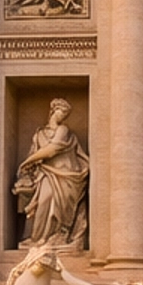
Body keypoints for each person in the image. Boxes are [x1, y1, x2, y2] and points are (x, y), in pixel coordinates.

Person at [13, 101, 89, 247]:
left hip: (67, 174)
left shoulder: (63, 130)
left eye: (66, 114)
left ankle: (58, 235)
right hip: (46, 173)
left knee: (57, 204)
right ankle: (37, 239)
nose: (63, 116)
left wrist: (26, 161)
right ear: (53, 111)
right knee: (43, 201)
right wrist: (28, 167)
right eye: (61, 111)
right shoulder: (39, 134)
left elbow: (52, 149)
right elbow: (35, 153)